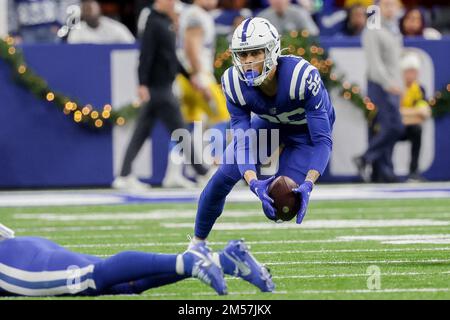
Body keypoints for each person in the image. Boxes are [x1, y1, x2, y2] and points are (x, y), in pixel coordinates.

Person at [189, 17, 334, 288]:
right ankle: (196, 246)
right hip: (269, 124)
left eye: (256, 52)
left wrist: (308, 184)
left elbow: (322, 141)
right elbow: (242, 141)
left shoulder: (302, 77)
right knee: (222, 177)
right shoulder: (233, 82)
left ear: (272, 51)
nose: (249, 61)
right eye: (243, 54)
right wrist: (253, 182)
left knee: (281, 203)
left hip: (305, 135)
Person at [112, 0, 209, 190]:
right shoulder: (153, 22)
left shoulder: (166, 22)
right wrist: (142, 83)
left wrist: (189, 77)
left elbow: (172, 57)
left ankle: (123, 175)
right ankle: (204, 173)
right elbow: (145, 55)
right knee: (181, 132)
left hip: (163, 86)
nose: (174, 4)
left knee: (141, 133)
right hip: (159, 88)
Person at [0, 223, 226, 296]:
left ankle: (190, 262)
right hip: (17, 251)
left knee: (92, 278)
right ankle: (223, 260)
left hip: (10, 262)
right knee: (125, 284)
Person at [176, 0, 230, 185]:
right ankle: (216, 167)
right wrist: (198, 75)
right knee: (222, 116)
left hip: (187, 77)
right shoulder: (196, 15)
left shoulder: (194, 13)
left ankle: (173, 171)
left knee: (186, 125)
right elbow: (191, 45)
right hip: (197, 76)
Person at [354, 0, 404, 183]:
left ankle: (385, 171)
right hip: (380, 85)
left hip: (393, 85)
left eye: (393, 4)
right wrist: (388, 83)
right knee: (393, 126)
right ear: (379, 8)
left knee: (387, 127)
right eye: (386, 4)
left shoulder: (394, 30)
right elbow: (375, 64)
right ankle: (365, 157)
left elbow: (395, 63)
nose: (390, 8)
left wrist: (399, 85)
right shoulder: (372, 30)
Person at [399, 53, 431, 181]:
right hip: (394, 126)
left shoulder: (419, 89)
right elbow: (394, 113)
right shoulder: (396, 88)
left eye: (414, 71)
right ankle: (384, 171)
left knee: (417, 130)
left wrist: (404, 113)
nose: (412, 75)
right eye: (409, 71)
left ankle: (413, 171)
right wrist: (413, 113)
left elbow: (424, 113)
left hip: (408, 126)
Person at [7, 0, 79, 43]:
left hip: (50, 29)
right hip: (26, 31)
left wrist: (59, 24)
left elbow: (62, 3)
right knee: (29, 61)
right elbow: (11, 9)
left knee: (53, 58)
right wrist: (14, 33)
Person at [67, 0, 135, 44]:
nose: (88, 13)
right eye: (85, 10)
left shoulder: (114, 27)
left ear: (99, 10)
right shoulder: (77, 31)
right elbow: (72, 51)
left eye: (90, 9)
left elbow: (131, 45)